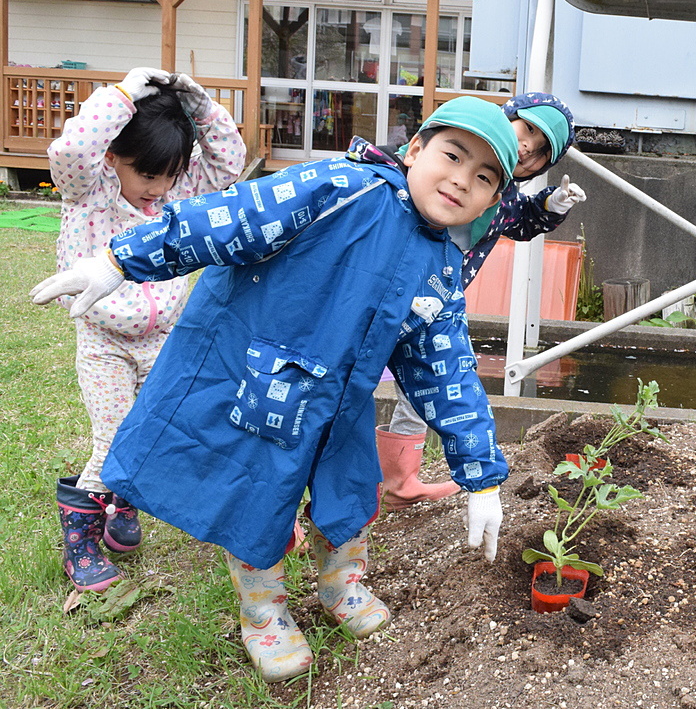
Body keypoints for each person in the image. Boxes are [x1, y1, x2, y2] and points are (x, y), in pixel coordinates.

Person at [31, 96, 516, 683]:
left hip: (342, 403)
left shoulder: (441, 268)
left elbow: (448, 371)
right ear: (415, 149)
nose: (461, 180)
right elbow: (232, 216)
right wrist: (120, 259)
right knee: (257, 497)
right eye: (453, 155)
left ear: (493, 200)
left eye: (484, 176)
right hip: (266, 384)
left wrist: (482, 473)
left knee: (352, 493)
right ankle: (264, 612)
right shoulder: (341, 186)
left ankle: (342, 586)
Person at [46, 67, 246, 593]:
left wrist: (200, 107)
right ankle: (80, 542)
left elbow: (228, 163)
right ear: (113, 157)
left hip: (164, 340)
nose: (158, 193)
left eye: (170, 177)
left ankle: (121, 505)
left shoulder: (174, 194)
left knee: (157, 429)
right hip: (104, 343)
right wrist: (121, 95)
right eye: (148, 176)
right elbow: (71, 151)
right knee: (113, 436)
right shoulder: (87, 188)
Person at [377, 92, 585, 510]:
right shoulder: (402, 172)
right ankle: (286, 511)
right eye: (527, 129)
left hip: (431, 306)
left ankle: (399, 481)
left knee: (430, 381)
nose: (527, 146)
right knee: (334, 391)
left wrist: (553, 204)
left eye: (542, 150)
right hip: (375, 294)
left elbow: (523, 219)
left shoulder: (503, 199)